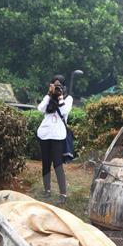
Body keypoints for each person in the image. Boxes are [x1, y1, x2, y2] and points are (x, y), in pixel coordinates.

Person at [36, 74, 73, 203]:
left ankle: (63, 194)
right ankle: (47, 191)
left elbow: (65, 112)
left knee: (57, 164)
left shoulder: (68, 98)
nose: (57, 87)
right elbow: (40, 109)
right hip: (44, 134)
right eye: (55, 85)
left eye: (59, 85)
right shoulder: (48, 97)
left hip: (58, 135)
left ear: (64, 86)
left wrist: (60, 97)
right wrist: (49, 94)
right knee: (46, 163)